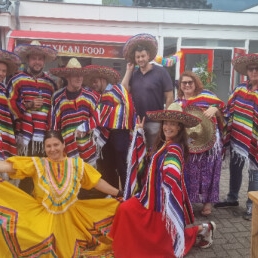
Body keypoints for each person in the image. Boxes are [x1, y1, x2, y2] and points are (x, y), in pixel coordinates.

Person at [109, 103, 216, 258]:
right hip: (148, 197)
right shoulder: (163, 144)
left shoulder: (175, 149)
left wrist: (169, 178)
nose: (168, 127)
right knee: (125, 209)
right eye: (166, 123)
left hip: (161, 202)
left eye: (173, 124)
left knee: (165, 245)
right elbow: (145, 162)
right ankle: (134, 246)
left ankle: (204, 228)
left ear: (179, 128)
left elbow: (172, 168)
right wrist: (139, 132)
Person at [0, 130, 122, 257]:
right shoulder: (37, 164)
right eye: (48, 146)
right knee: (36, 238)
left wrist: (118, 192)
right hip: (43, 217)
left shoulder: (77, 165)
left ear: (63, 144)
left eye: (56, 144)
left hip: (72, 219)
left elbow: (96, 182)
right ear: (44, 148)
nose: (53, 149)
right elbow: (10, 166)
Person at [7, 40, 58, 194]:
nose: (37, 62)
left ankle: (37, 208)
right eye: (34, 58)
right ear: (28, 60)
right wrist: (27, 106)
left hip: (44, 137)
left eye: (40, 58)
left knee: (41, 173)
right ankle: (23, 210)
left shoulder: (51, 84)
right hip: (24, 136)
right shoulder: (16, 80)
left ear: (44, 61)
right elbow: (9, 105)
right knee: (23, 172)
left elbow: (54, 111)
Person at [175, 71, 227, 216]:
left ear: (195, 83)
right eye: (183, 83)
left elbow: (224, 110)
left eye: (190, 82)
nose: (187, 85)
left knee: (209, 171)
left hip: (210, 142)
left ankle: (207, 202)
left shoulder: (207, 96)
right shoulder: (178, 102)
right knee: (188, 171)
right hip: (189, 142)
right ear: (180, 85)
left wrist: (215, 109)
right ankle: (188, 201)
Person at [214, 53, 258, 221]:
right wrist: (217, 114)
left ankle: (251, 206)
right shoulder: (240, 88)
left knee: (254, 173)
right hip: (237, 137)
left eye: (257, 69)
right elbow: (229, 109)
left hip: (255, 140)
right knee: (235, 167)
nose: (254, 72)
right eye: (251, 69)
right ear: (247, 71)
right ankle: (232, 198)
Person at [84, 65, 136, 190]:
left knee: (122, 165)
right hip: (107, 133)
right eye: (91, 82)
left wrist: (85, 127)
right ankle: (113, 193)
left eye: (95, 81)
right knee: (108, 164)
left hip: (120, 132)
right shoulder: (100, 95)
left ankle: (126, 195)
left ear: (103, 79)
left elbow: (101, 112)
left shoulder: (116, 90)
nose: (93, 84)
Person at [121, 33, 174, 150]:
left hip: (155, 122)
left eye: (142, 56)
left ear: (148, 55)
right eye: (138, 57)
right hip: (137, 122)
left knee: (154, 151)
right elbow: (123, 90)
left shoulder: (161, 72)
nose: (140, 59)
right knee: (138, 153)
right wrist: (129, 71)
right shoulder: (134, 74)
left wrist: (166, 119)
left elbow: (169, 97)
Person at [50, 58, 99, 166]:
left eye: (81, 75)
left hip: (88, 150)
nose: (79, 78)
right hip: (66, 151)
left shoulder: (90, 96)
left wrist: (87, 127)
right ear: (67, 77)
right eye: (75, 75)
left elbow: (98, 118)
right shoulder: (58, 98)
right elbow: (54, 126)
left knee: (89, 182)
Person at [0, 49, 21, 183]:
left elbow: (9, 113)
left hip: (6, 134)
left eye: (4, 71)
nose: (1, 74)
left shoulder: (4, 90)